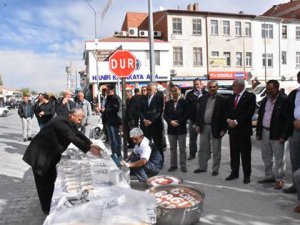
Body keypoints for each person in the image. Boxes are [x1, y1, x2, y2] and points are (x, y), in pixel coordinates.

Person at [22, 108, 102, 214]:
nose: (80, 122)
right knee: (43, 183)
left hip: (49, 154)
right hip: (40, 155)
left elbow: (77, 133)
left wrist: (90, 144)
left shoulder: (68, 120)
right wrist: (89, 150)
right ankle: (47, 209)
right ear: (72, 115)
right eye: (79, 119)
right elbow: (72, 137)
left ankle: (52, 203)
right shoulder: (60, 122)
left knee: (51, 180)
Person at [256, 80, 289, 189]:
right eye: (267, 89)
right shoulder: (265, 100)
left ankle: (279, 179)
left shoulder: (284, 100)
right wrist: (258, 132)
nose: (268, 91)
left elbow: (287, 120)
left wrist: (284, 136)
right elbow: (260, 116)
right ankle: (269, 176)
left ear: (277, 88)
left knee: (279, 158)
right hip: (265, 131)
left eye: (270, 89)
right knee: (266, 156)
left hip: (277, 134)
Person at [225, 79, 256, 184]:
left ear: (241, 86)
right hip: (233, 131)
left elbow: (249, 112)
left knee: (245, 154)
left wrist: (237, 121)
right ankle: (234, 172)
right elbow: (227, 112)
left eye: (234, 85)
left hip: (244, 131)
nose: (232, 87)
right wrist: (228, 120)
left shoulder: (250, 96)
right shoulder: (231, 97)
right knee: (234, 153)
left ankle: (247, 175)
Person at [194, 81, 227, 176]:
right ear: (207, 88)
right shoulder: (203, 98)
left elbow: (225, 116)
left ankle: (215, 169)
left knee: (216, 149)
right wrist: (197, 125)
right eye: (210, 87)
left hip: (216, 128)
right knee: (203, 148)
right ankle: (202, 167)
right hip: (204, 126)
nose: (212, 89)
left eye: (214, 87)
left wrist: (223, 129)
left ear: (217, 87)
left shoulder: (222, 99)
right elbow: (199, 113)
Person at [163, 85, 189, 172]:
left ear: (179, 91)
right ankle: (173, 165)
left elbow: (186, 115)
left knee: (182, 149)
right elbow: (165, 115)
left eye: (176, 90)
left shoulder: (184, 102)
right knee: (172, 149)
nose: (174, 92)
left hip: (181, 129)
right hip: (171, 129)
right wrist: (170, 121)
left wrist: (178, 122)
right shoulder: (168, 103)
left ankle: (183, 165)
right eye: (172, 91)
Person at [283, 71, 300, 194]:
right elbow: (286, 111)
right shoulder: (294, 94)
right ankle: (296, 185)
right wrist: (293, 121)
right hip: (295, 130)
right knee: (295, 158)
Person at [140, 82, 164, 162]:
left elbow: (159, 111)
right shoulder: (143, 98)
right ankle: (149, 160)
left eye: (150, 89)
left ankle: (160, 161)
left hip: (155, 125)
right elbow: (140, 111)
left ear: (155, 90)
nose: (148, 91)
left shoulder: (159, 97)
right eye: (147, 89)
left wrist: (151, 121)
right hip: (145, 126)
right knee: (146, 145)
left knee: (158, 145)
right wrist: (144, 120)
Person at [185, 78, 206, 160]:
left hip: (204, 121)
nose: (196, 86)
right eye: (195, 84)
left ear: (201, 85)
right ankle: (192, 154)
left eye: (197, 84)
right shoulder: (189, 94)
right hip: (193, 120)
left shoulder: (206, 94)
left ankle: (205, 153)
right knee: (192, 139)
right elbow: (187, 107)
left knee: (205, 139)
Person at [103, 84, 122, 158]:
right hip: (108, 121)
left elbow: (116, 109)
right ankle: (114, 154)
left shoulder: (116, 98)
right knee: (111, 140)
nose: (105, 91)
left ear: (112, 90)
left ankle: (118, 155)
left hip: (115, 122)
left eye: (107, 89)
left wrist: (106, 110)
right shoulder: (107, 98)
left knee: (116, 140)